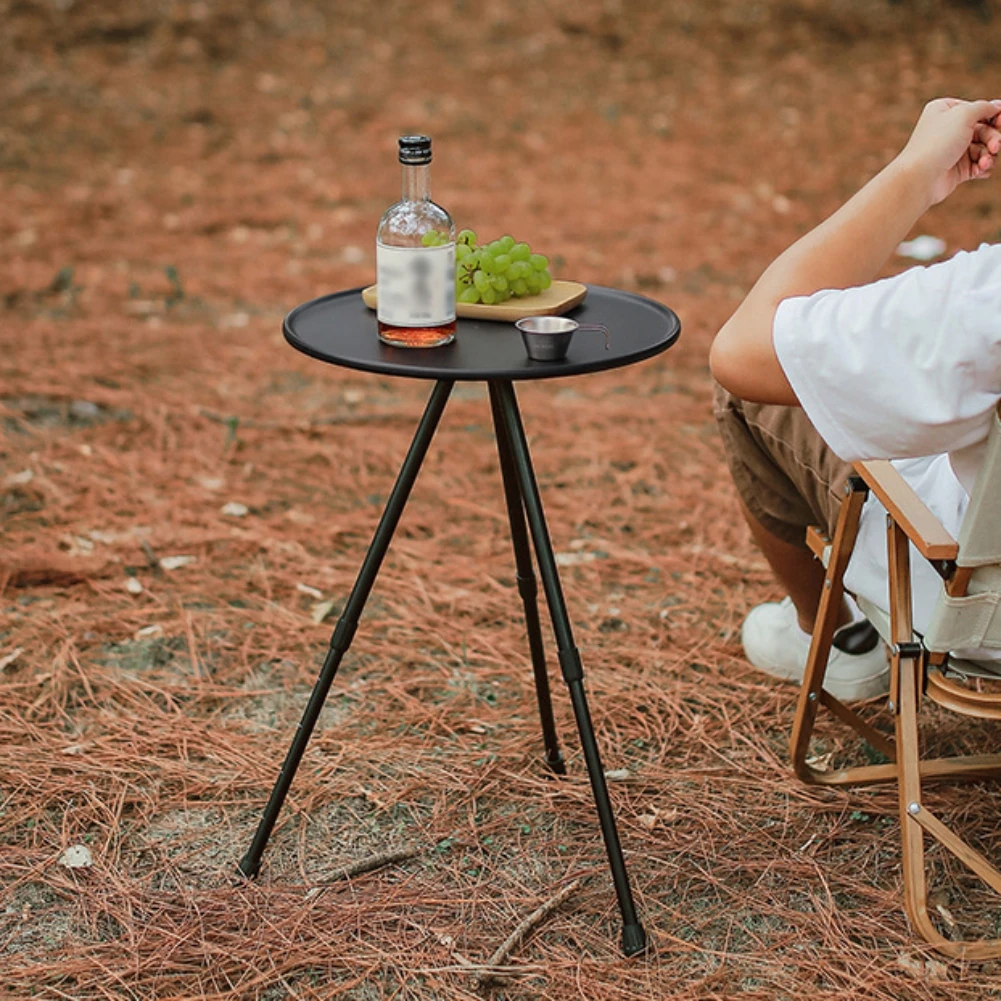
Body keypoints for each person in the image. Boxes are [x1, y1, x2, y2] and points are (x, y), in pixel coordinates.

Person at [709, 97, 1001, 701]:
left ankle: (839, 640)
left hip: (976, 612)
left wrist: (916, 172)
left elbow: (743, 350)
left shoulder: (983, 298)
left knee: (758, 393)